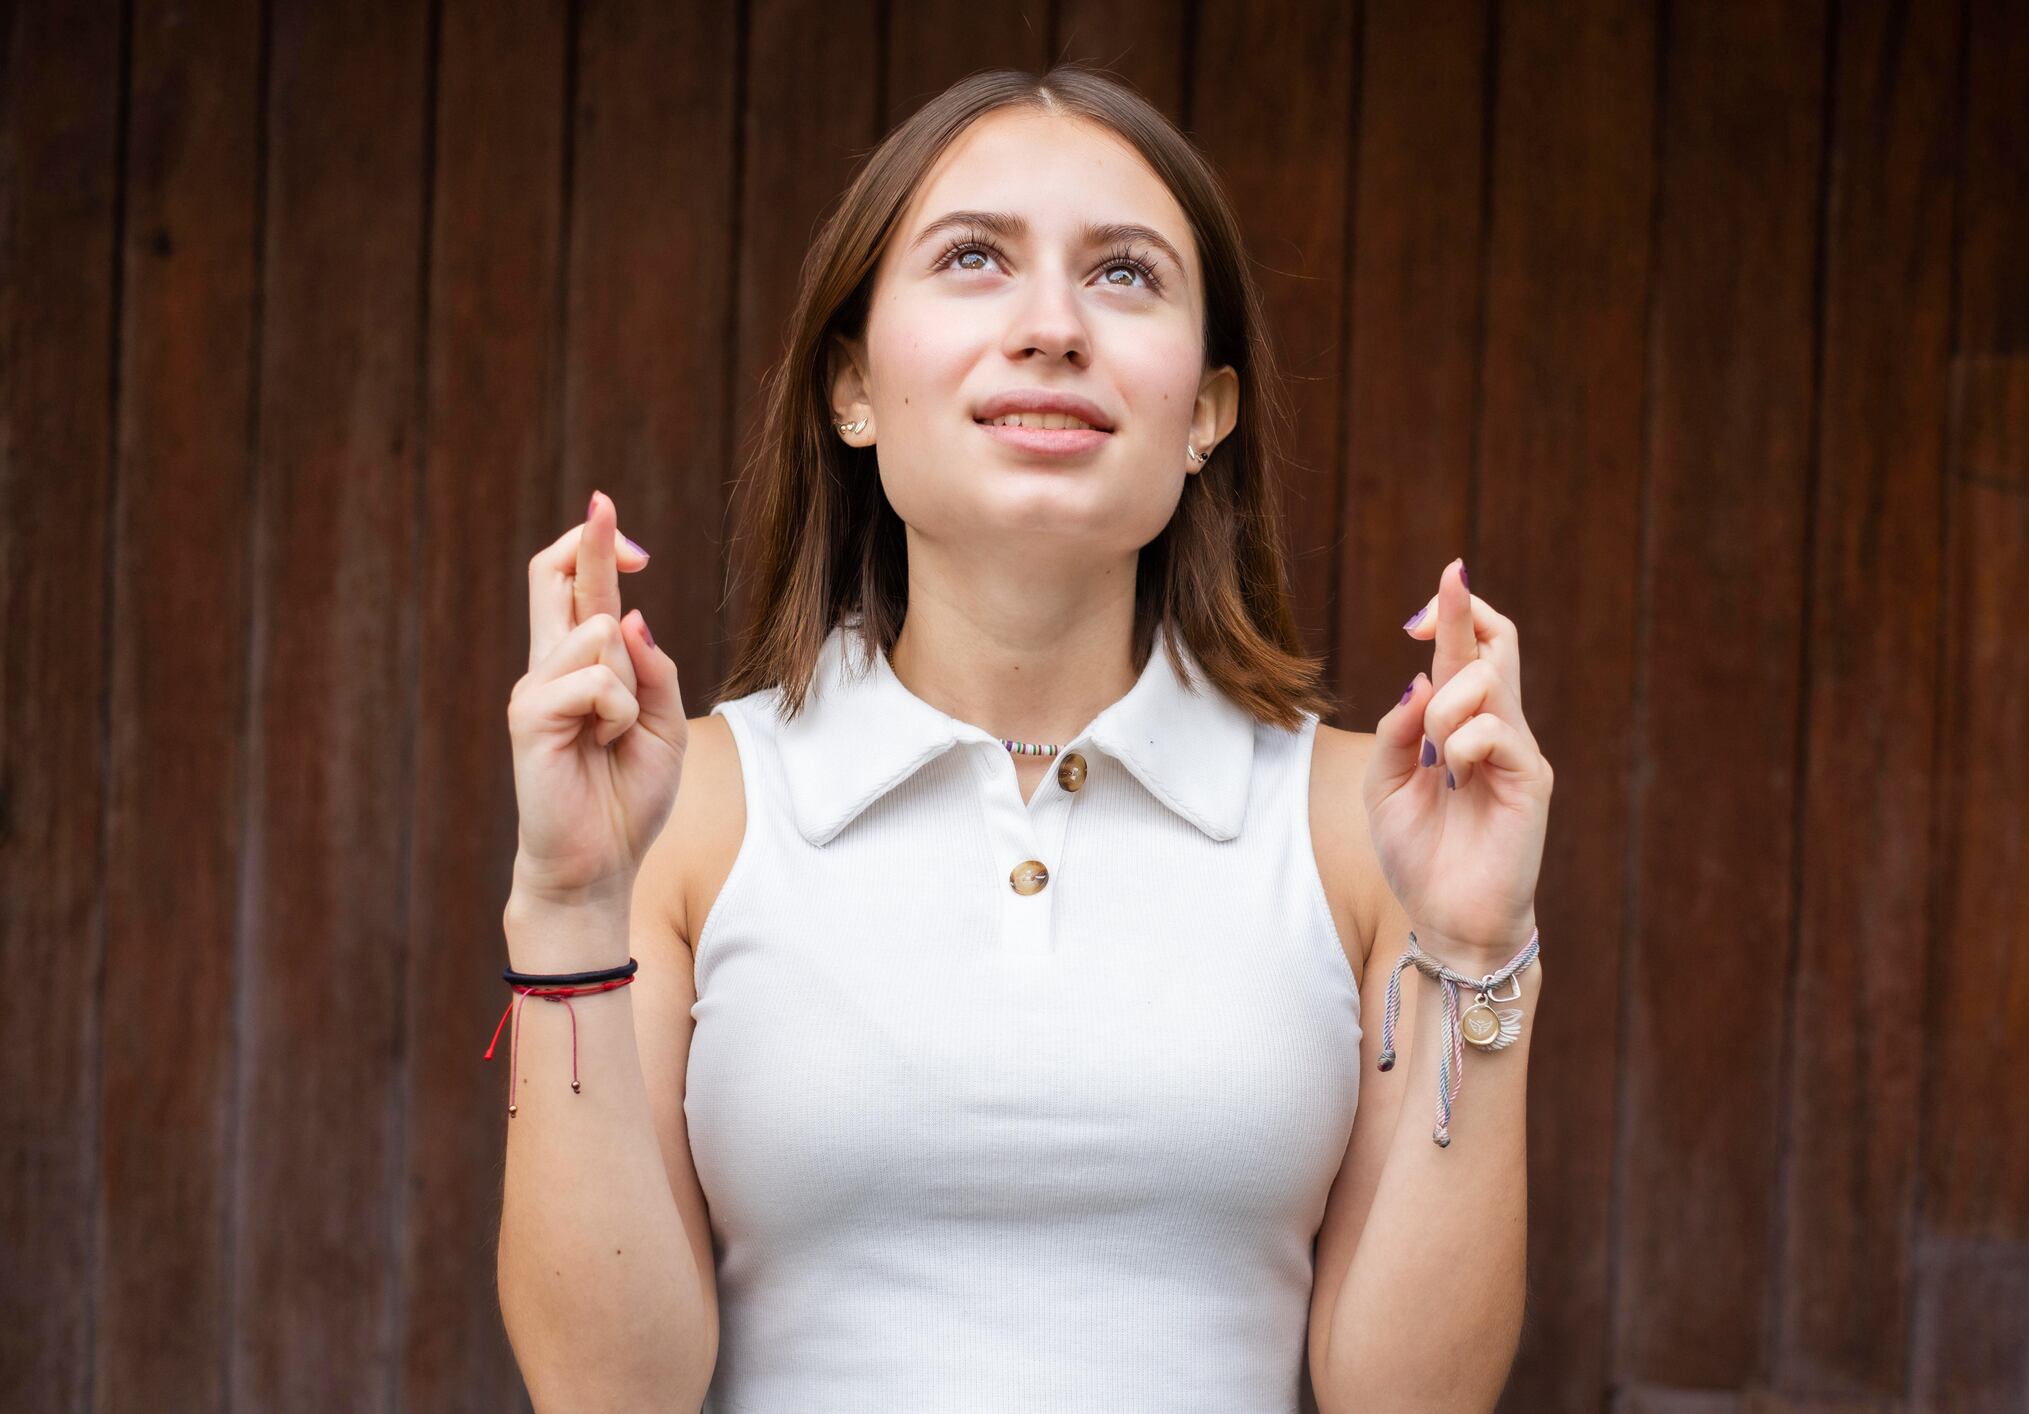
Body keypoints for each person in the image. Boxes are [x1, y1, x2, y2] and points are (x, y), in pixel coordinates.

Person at [494, 63, 1553, 1414]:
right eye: (973, 258)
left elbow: (1408, 1402)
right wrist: (571, 905)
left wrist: (1474, 949)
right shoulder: (687, 807)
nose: (1052, 325)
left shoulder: (1367, 823)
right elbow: (605, 1392)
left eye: (1124, 276)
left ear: (1205, 415)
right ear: (850, 388)